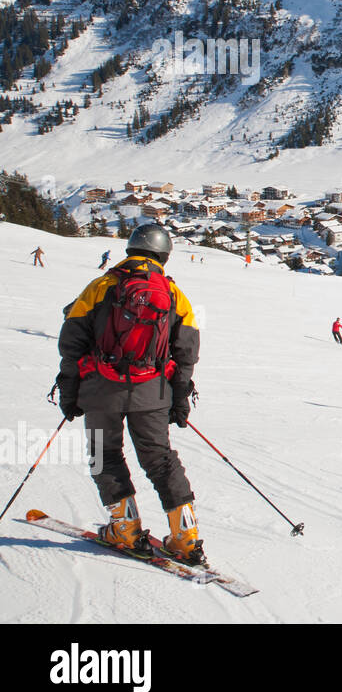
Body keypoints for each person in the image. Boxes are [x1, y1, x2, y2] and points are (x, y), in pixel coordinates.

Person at [55, 224, 204, 564]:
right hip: (152, 390)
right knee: (159, 457)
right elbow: (186, 351)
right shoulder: (174, 294)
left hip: (100, 388)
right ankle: (185, 536)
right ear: (164, 255)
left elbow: (71, 343)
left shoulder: (100, 286)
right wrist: (179, 398)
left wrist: (70, 389)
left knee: (102, 454)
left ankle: (124, 527)